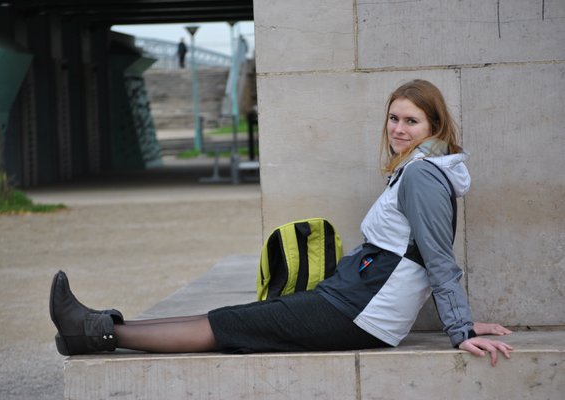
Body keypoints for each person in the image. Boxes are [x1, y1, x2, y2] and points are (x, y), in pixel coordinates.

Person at [49, 79, 513, 366]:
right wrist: (466, 322)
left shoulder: (422, 177)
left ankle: (94, 333)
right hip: (353, 298)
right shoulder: (414, 171)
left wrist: (462, 331)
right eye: (393, 117)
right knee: (235, 318)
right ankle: (94, 329)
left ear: (434, 127)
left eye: (411, 121)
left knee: (231, 326)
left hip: (361, 313)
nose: (398, 129)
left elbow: (436, 257)